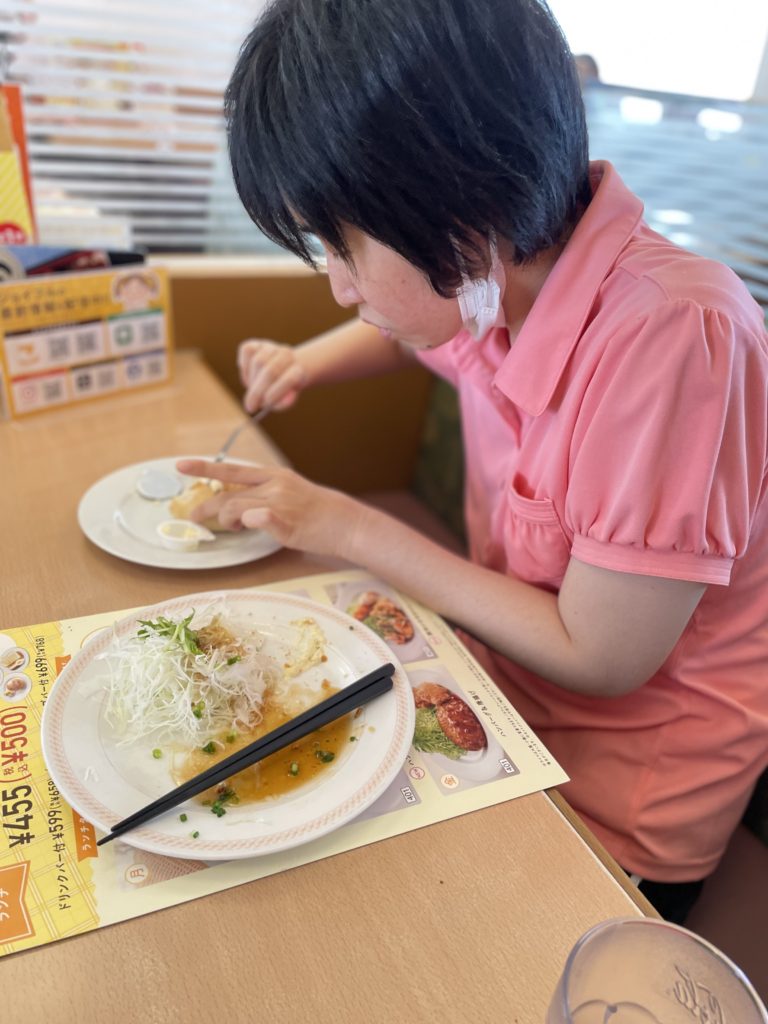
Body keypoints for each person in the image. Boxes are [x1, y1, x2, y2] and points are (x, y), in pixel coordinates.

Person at [176, 0, 768, 923]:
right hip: (493, 688)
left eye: (340, 244)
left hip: (623, 796)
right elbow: (414, 331)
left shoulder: (676, 336)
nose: (338, 286)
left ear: (453, 200)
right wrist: (308, 362)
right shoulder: (498, 277)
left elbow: (602, 655)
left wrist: (343, 524)